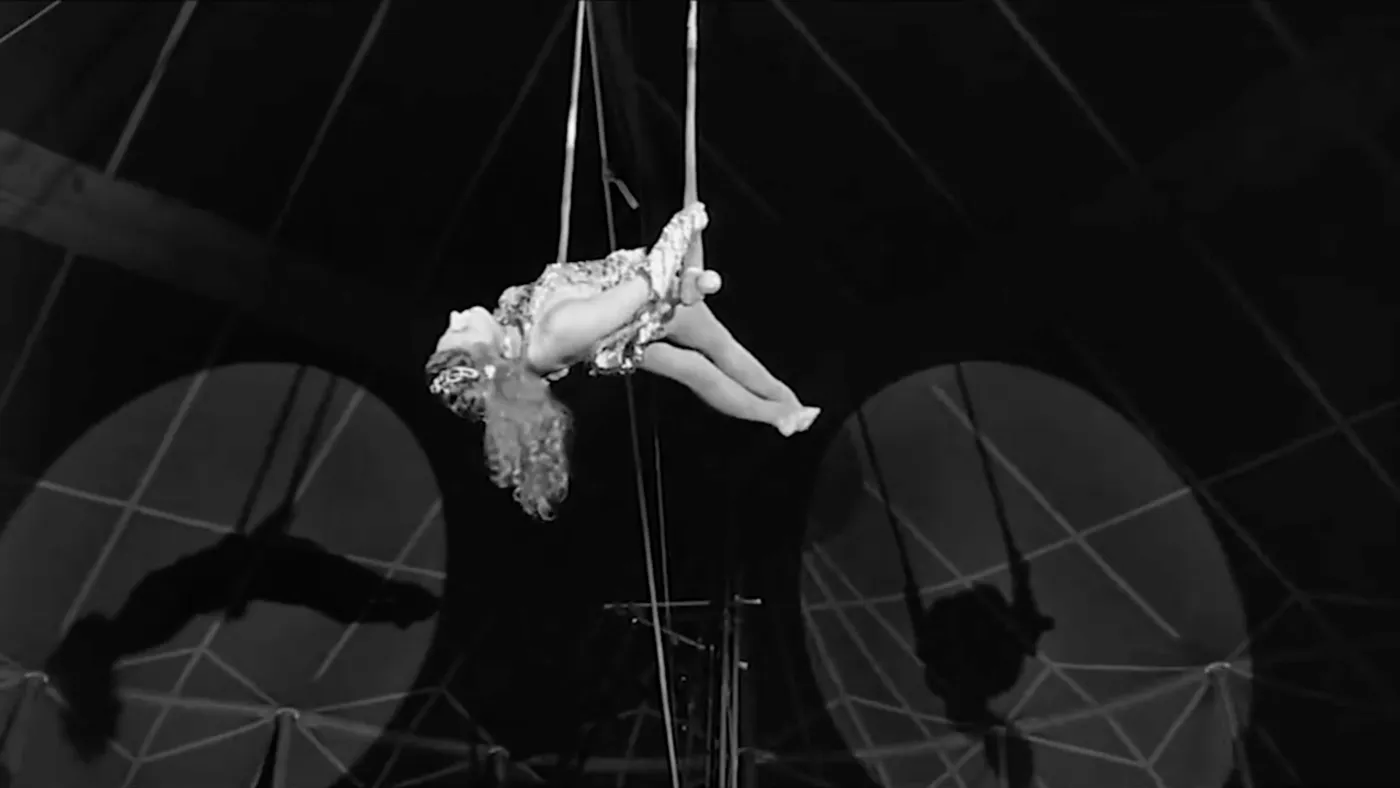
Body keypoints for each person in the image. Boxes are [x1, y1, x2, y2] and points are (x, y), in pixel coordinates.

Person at [426, 202, 819, 519]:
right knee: (715, 351)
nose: (454, 317)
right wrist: (683, 227)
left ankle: (781, 410)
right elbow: (648, 285)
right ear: (491, 354)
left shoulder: (509, 334)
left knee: (693, 368)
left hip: (615, 334)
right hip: (644, 311)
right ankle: (783, 408)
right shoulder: (558, 331)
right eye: (460, 330)